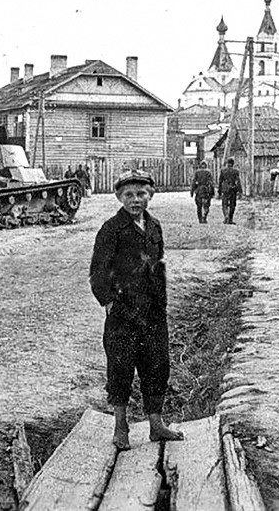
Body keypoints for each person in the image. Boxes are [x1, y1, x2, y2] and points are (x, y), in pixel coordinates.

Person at [90, 170, 184, 450]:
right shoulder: (111, 229)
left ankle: (156, 425)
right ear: (119, 197)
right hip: (123, 312)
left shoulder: (154, 226)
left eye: (141, 194)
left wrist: (162, 302)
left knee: (157, 366)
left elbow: (159, 264)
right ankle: (121, 427)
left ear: (150, 196)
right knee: (120, 367)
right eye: (129, 195)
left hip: (153, 311)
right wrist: (109, 302)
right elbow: (98, 271)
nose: (135, 200)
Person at [218, 158, 241, 224]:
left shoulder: (223, 170)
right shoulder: (236, 171)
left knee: (224, 204)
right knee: (232, 205)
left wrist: (219, 190)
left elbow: (220, 181)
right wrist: (240, 191)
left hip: (225, 189)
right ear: (233, 164)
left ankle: (226, 216)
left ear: (227, 163)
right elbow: (238, 181)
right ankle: (230, 219)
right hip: (233, 189)